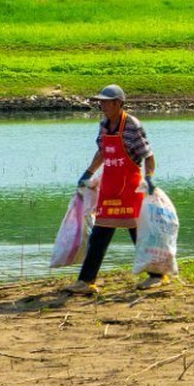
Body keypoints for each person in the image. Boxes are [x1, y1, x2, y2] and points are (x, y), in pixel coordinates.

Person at [69, 85, 164, 295]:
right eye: (100, 102)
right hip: (110, 188)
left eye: (106, 102)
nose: (102, 105)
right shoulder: (104, 125)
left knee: (138, 233)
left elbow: (148, 155)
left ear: (118, 103)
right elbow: (103, 152)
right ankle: (86, 281)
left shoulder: (132, 125)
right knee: (99, 234)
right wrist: (88, 173)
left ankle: (157, 276)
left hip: (130, 189)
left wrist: (149, 177)